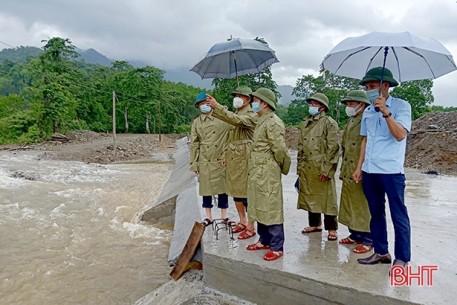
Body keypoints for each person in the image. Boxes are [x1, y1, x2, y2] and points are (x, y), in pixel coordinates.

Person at [354, 67, 412, 268]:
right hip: (370, 171)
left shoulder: (402, 106)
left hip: (391, 172)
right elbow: (365, 140)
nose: (368, 90)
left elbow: (400, 135)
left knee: (399, 215)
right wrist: (359, 166)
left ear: (385, 86)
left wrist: (386, 113)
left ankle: (402, 258)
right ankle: (381, 252)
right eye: (367, 87)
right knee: (376, 214)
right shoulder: (368, 111)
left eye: (372, 86)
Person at [206, 86, 259, 240]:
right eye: (235, 95)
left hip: (245, 159)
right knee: (235, 192)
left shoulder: (251, 115)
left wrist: (218, 107)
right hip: (233, 159)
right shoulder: (235, 113)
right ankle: (242, 220)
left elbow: (236, 121)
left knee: (246, 194)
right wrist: (224, 156)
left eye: (240, 96)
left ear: (248, 99)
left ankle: (251, 225)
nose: (236, 98)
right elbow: (229, 137)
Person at [244, 88, 291, 261]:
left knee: (271, 206)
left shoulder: (273, 122)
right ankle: (264, 240)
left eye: (255, 100)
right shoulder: (261, 119)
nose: (253, 103)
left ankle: (277, 246)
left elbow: (279, 149)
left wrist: (281, 167)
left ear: (264, 102)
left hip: (268, 170)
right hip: (257, 170)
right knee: (258, 205)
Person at [296, 93, 339, 241]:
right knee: (310, 195)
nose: (311, 106)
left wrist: (327, 169)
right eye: (310, 103)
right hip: (308, 167)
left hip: (322, 167)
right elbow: (300, 147)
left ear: (322, 107)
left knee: (328, 198)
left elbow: (333, 148)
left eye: (314, 103)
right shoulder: (305, 124)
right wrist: (299, 168)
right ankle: (315, 224)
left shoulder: (329, 123)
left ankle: (332, 228)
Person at [338, 90, 372, 254]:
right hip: (349, 168)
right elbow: (344, 147)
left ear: (362, 104)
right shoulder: (351, 121)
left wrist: (362, 168)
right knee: (350, 202)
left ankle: (368, 239)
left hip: (362, 168)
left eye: (351, 104)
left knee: (362, 205)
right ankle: (355, 233)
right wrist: (343, 169)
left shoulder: (368, 120)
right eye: (347, 104)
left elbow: (368, 147)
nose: (349, 107)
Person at [189, 92, 230, 226]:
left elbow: (231, 132)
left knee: (223, 188)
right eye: (201, 104)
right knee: (206, 189)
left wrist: (227, 155)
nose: (204, 106)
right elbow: (194, 144)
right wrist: (194, 163)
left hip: (220, 157)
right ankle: (208, 216)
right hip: (204, 158)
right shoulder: (196, 122)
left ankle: (224, 215)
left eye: (206, 103)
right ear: (198, 106)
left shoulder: (222, 118)